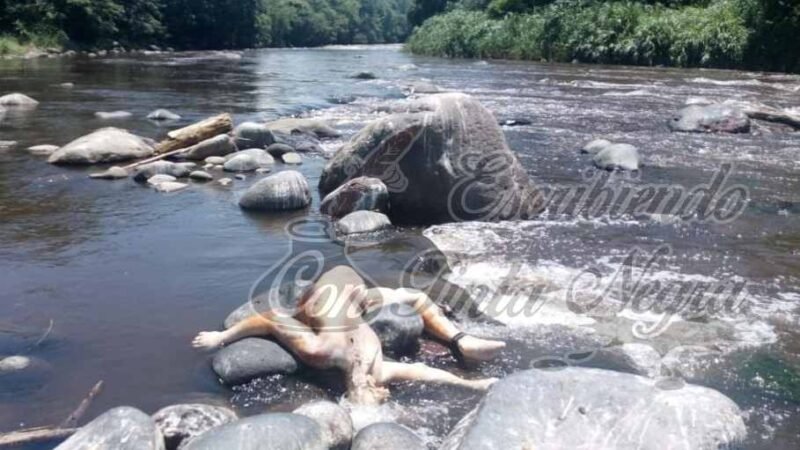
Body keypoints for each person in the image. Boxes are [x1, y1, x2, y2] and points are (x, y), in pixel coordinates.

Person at [193, 265, 505, 404]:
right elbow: (424, 372)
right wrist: (473, 385)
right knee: (416, 298)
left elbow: (274, 317)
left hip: (333, 289)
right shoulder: (378, 371)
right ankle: (459, 340)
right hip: (355, 292)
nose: (372, 386)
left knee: (415, 298)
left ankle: (462, 341)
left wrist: (222, 337)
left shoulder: (320, 353)